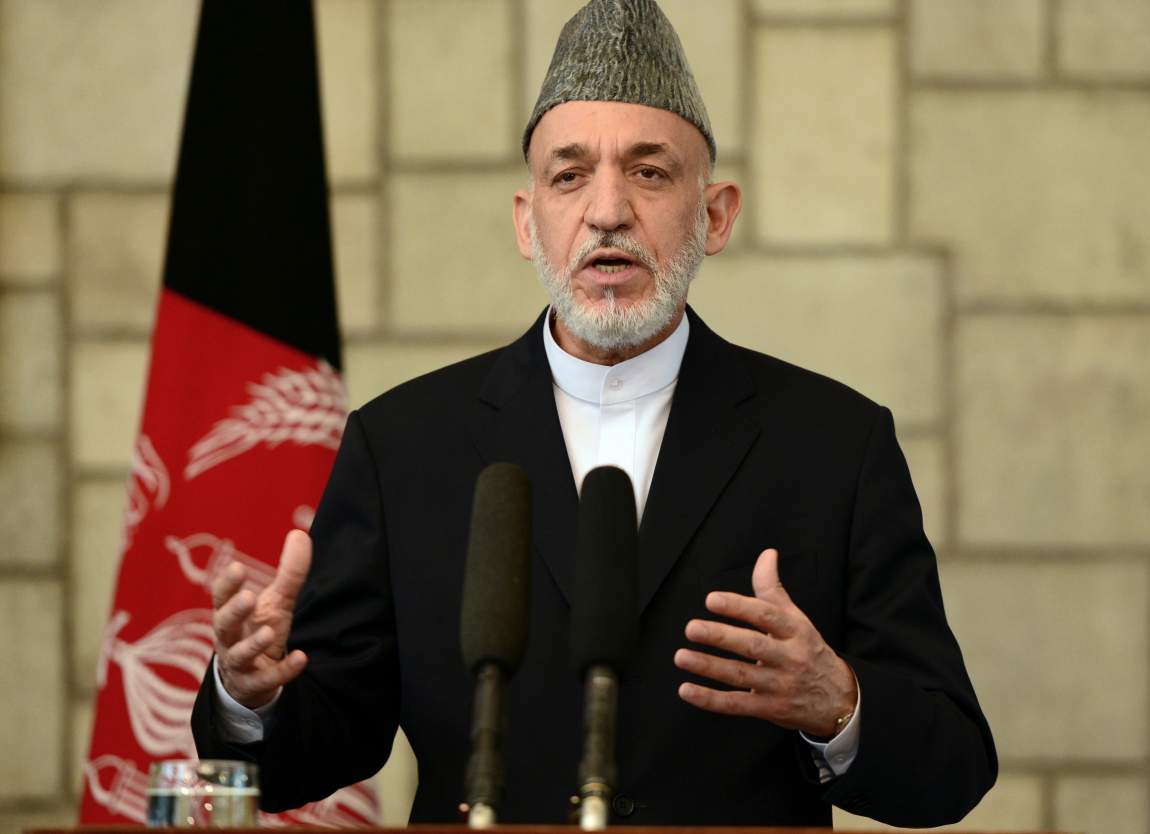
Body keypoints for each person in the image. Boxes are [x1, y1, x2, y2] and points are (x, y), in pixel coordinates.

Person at [192, 0, 996, 826]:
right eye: (569, 176)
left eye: (649, 172)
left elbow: (951, 765)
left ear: (715, 215)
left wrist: (839, 704)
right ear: (527, 221)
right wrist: (250, 698)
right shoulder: (402, 446)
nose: (607, 210)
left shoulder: (835, 446)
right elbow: (315, 749)